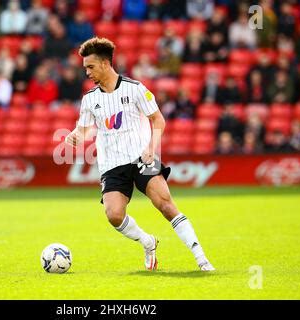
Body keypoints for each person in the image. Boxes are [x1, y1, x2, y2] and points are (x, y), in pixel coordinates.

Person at [65, 37, 215, 272]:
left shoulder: (135, 89)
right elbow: (83, 131)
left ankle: (202, 259)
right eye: (85, 68)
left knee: (165, 205)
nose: (87, 72)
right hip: (112, 164)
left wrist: (151, 148)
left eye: (90, 67)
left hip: (141, 158)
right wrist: (74, 136)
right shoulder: (89, 100)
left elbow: (158, 120)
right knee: (114, 215)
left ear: (105, 63)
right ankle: (147, 242)